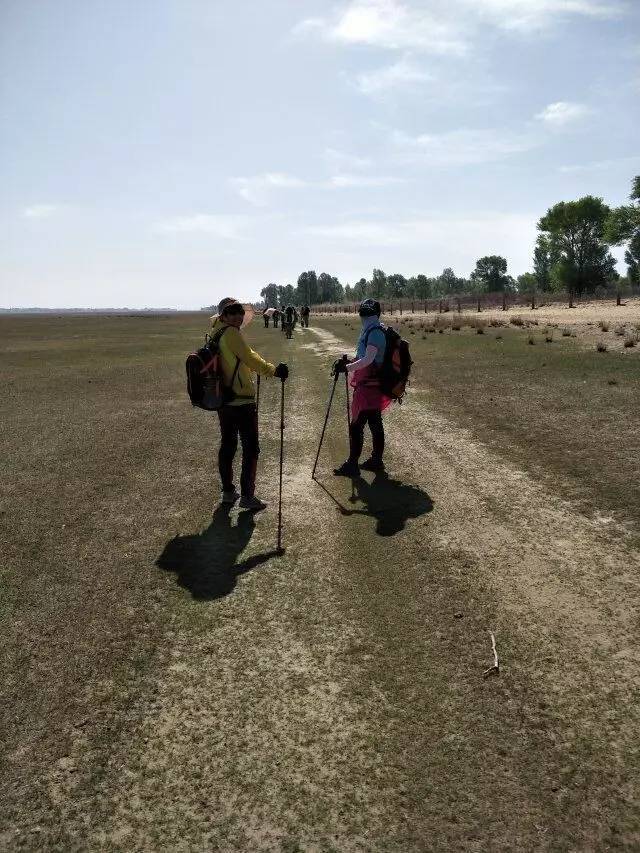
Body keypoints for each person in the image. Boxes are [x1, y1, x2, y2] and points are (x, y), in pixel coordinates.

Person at [211, 298, 288, 510]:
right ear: (223, 316)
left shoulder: (216, 332)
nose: (237, 316)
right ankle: (247, 496)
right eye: (232, 312)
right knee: (251, 448)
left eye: (239, 312)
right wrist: (273, 370)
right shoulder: (231, 333)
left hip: (224, 400)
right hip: (241, 400)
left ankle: (228, 492)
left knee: (228, 445)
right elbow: (249, 357)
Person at [332, 298, 392, 476]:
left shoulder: (373, 332)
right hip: (372, 386)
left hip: (368, 388)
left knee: (357, 425)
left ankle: (353, 464)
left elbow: (369, 359)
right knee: (374, 423)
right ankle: (376, 460)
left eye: (366, 314)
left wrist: (347, 368)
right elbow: (365, 357)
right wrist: (350, 362)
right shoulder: (374, 329)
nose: (364, 317)